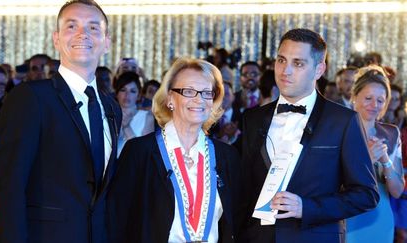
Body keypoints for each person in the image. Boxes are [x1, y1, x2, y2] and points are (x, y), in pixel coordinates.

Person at [0, 1, 122, 243]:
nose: (83, 34)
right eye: (72, 26)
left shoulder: (111, 107)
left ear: (107, 42)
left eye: (93, 28)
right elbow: (9, 186)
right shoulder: (31, 98)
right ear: (56, 39)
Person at [239, 28, 379, 243]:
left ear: (319, 69)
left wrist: (306, 207)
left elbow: (365, 195)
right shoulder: (252, 118)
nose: (285, 71)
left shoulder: (343, 120)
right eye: (281, 60)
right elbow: (243, 185)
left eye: (298, 63)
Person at [107, 58, 240, 243]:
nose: (198, 99)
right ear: (170, 98)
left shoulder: (227, 157)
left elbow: (235, 225)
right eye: (189, 91)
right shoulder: (139, 152)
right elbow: (116, 221)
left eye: (206, 93)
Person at [346, 65, 405, 243]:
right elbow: (330, 184)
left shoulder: (391, 133)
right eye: (368, 98)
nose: (374, 105)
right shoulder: (339, 130)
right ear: (354, 97)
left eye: (380, 100)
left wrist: (385, 160)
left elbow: (397, 191)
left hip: (381, 217)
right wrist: (368, 160)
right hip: (347, 215)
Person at [113, 71, 155, 155]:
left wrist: (126, 127)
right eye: (123, 90)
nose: (127, 95)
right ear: (117, 93)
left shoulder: (146, 117)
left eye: (132, 91)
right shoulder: (108, 115)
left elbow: (145, 152)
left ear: (139, 95)